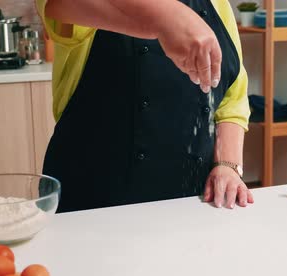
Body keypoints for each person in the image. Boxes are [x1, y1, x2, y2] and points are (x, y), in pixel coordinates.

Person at [36, 0, 254, 212]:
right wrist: (168, 14)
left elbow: (231, 96)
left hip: (195, 203)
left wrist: (228, 165)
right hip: (94, 205)